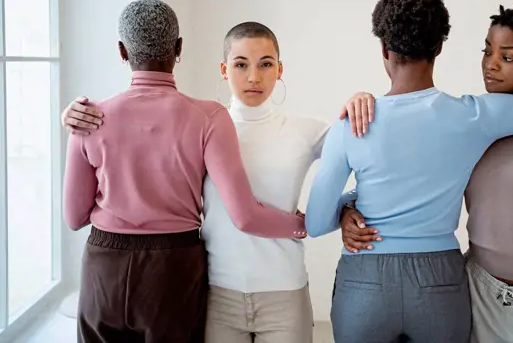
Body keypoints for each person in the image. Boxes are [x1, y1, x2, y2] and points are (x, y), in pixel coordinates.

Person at [305, 0, 513, 343]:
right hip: (440, 279)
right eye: (488, 52)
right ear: (439, 48)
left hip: (366, 275)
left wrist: (349, 205)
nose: (492, 63)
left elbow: (316, 222)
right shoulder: (473, 117)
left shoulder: (349, 124)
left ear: (384, 49)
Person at [61, 21, 367, 343]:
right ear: (224, 69)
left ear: (280, 69)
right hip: (217, 290)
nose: (253, 77)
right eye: (240, 64)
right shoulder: (200, 122)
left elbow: (370, 161)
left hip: (284, 288)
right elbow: (138, 143)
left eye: (266, 64)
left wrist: (344, 207)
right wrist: (72, 116)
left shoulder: (307, 130)